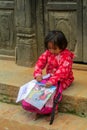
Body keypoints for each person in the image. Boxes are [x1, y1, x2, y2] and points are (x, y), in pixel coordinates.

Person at [22, 30, 74, 121]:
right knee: (37, 87)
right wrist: (38, 74)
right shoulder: (48, 53)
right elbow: (39, 63)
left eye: (55, 48)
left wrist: (52, 81)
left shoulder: (66, 57)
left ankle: (52, 110)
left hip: (63, 79)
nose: (52, 51)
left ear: (62, 46)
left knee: (53, 91)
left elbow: (62, 72)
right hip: (50, 77)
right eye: (49, 48)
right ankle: (37, 109)